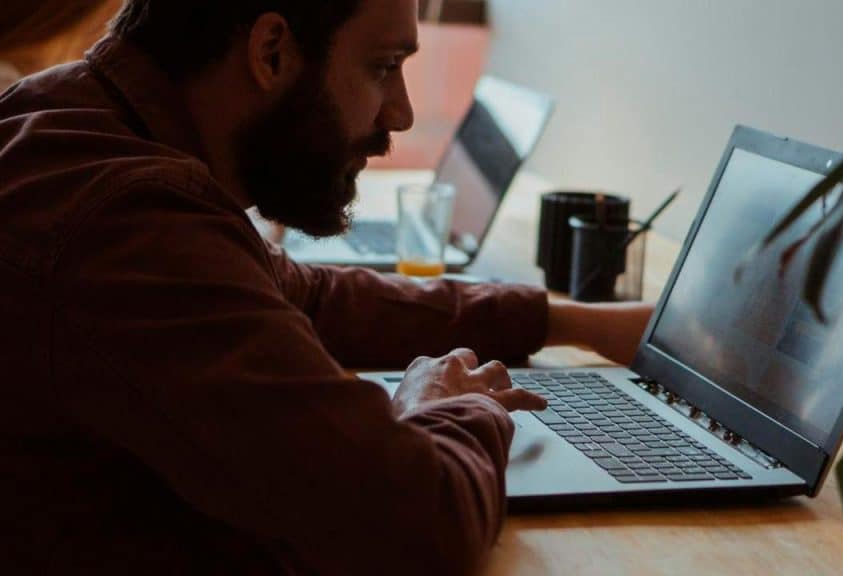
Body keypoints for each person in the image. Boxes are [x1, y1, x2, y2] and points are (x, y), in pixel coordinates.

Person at [0, 0, 652, 574]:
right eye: (382, 66)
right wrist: (456, 407)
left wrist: (568, 322)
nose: (399, 113)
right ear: (272, 51)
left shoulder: (74, 115)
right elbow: (420, 526)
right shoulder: (128, 221)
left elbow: (303, 294)